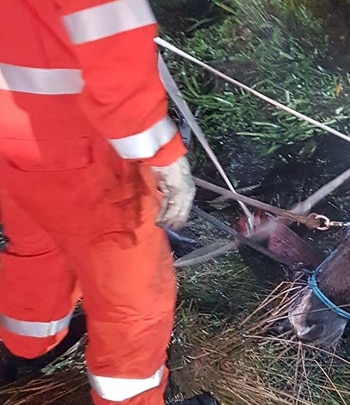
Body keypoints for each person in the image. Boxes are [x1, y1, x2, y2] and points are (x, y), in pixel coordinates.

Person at [0, 1, 213, 404]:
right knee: (132, 301)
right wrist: (161, 152)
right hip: (81, 148)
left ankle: (26, 349)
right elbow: (109, 39)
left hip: (11, 133)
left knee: (38, 246)